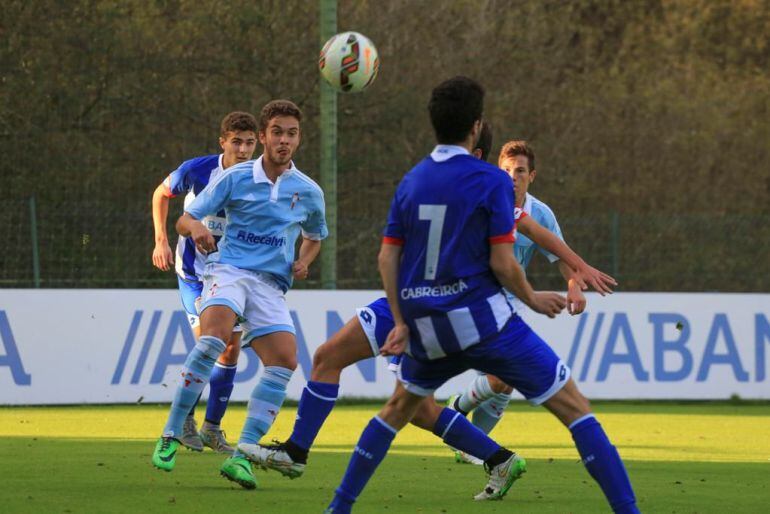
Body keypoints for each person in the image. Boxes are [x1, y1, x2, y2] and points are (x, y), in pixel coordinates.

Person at [324, 76, 638, 513]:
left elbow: (386, 260)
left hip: (426, 326)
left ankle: (338, 508)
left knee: (396, 410)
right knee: (575, 408)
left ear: (434, 124)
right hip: (483, 321)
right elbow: (504, 263)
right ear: (475, 127)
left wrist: (399, 321)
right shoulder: (491, 180)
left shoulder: (411, 181)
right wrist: (532, 298)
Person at [239, 125, 614, 483]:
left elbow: (532, 232)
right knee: (347, 368)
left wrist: (572, 273)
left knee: (408, 400)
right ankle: (499, 459)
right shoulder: (434, 179)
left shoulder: (483, 190)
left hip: (430, 308)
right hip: (410, 300)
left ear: (474, 152)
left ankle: (309, 464)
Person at [151, 100, 328, 493]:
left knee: (285, 361)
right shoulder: (236, 176)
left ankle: (241, 456)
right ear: (264, 136)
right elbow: (185, 216)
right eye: (277, 132)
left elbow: (315, 238)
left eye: (292, 133)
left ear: (299, 139)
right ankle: (171, 433)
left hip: (269, 284)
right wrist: (194, 228)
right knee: (213, 340)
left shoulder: (308, 191)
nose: (284, 140)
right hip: (227, 272)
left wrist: (303, 261)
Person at [449, 139, 590, 464]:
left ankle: (471, 441)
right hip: (473, 299)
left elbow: (558, 253)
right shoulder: (482, 203)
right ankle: (457, 411)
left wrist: (574, 285)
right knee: (505, 376)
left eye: (520, 171)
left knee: (506, 382)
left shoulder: (540, 214)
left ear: (532, 175)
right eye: (507, 170)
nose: (513, 176)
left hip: (509, 306)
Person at [150, 111, 258, 452]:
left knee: (231, 350)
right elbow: (160, 194)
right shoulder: (197, 170)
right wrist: (161, 240)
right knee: (210, 344)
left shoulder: (260, 178)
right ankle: (184, 418)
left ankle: (213, 428)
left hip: (234, 277)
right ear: (222, 141)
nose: (243, 149)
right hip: (195, 275)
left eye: (250, 143)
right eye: (236, 142)